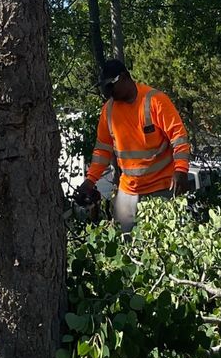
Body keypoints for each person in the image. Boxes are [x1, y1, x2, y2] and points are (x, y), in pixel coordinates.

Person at [74, 60, 190, 233]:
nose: (108, 92)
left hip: (162, 188)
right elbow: (102, 151)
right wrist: (90, 181)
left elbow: (178, 137)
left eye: (110, 85)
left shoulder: (154, 101)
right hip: (128, 192)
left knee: (165, 242)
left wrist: (181, 170)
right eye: (105, 88)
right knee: (126, 243)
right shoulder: (108, 111)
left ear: (125, 77)